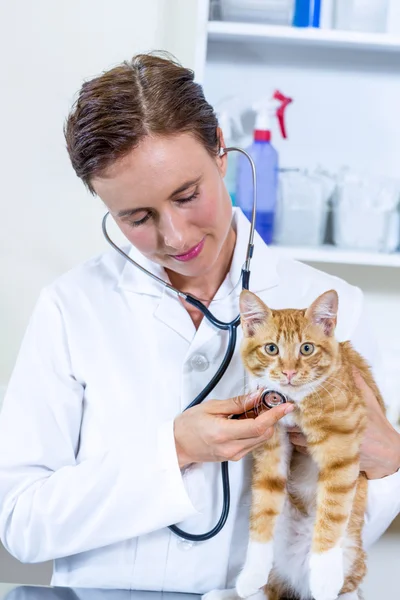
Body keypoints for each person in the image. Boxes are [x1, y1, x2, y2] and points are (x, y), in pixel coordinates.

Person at [0, 53, 399, 594]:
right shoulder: (72, 308)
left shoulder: (330, 307)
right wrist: (176, 449)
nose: (176, 237)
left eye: (188, 196)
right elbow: (20, 523)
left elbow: (356, 522)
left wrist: (388, 461)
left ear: (219, 148)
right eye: (136, 217)